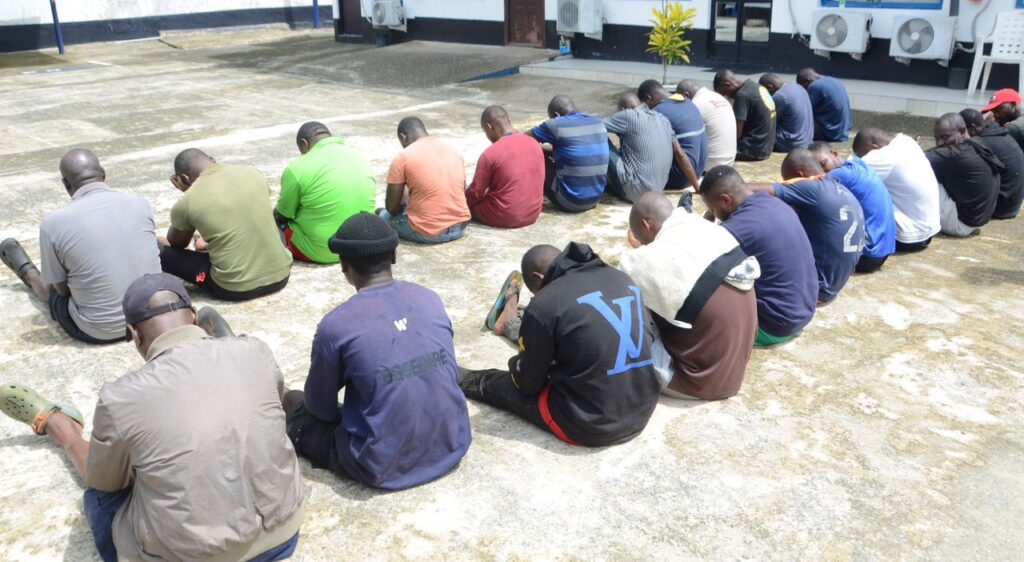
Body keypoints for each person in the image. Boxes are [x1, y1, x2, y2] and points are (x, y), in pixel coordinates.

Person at [0, 273, 308, 562]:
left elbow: (103, 481)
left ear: (134, 335)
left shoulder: (121, 397)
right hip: (282, 535)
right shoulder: (257, 350)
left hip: (193, 556)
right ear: (195, 317)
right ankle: (220, 347)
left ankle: (60, 426)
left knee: (101, 497)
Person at [284, 212, 471, 489]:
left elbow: (320, 410)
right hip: (452, 443)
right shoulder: (429, 299)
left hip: (379, 466)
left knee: (294, 402)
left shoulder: (337, 325)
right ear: (394, 256)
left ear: (343, 264)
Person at [460, 242, 661, 446]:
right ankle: (512, 324)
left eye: (534, 291)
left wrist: (517, 363)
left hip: (588, 424)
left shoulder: (546, 303)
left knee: (492, 381)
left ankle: (454, 373)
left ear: (538, 278)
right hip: (641, 409)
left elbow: (528, 385)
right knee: (561, 333)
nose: (536, 296)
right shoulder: (621, 278)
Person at [0, 149, 160, 344]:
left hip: (100, 331)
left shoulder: (53, 224)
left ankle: (29, 274)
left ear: (66, 185)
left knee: (51, 291)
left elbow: (62, 290)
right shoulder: (141, 204)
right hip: (153, 320)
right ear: (103, 173)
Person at [621, 192, 759, 400]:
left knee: (618, 319)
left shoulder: (641, 261)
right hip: (734, 370)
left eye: (640, 237)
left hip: (697, 382)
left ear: (645, 224)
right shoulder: (705, 228)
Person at [700, 166, 818, 347]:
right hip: (803, 313)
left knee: (706, 287)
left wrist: (704, 223)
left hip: (774, 328)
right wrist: (714, 212)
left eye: (713, 209)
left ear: (726, 200)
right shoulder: (775, 203)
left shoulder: (737, 229)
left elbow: (695, 257)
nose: (714, 215)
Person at [160, 148, 292, 300]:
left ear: (183, 178)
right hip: (281, 276)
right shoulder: (252, 173)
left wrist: (188, 191)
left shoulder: (189, 200)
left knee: (161, 252)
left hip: (234, 287)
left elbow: (177, 243)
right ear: (212, 159)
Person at [762, 150, 865, 303]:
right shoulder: (840, 188)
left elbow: (748, 190)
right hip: (834, 284)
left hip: (816, 290)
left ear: (800, 175)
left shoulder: (812, 188)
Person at [275, 121, 375, 263]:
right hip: (361, 245)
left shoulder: (297, 168)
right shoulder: (360, 157)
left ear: (304, 144)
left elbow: (282, 216)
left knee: (272, 224)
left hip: (321, 251)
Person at [810, 141, 896, 273]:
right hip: (882, 251)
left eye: (823, 164)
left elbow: (802, 188)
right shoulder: (858, 163)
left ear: (834, 154)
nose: (822, 172)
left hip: (866, 255)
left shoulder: (841, 174)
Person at [381, 117, 471, 243]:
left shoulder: (403, 156)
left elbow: (392, 208)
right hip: (459, 228)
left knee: (383, 216)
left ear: (403, 137)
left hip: (428, 233)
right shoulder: (452, 149)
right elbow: (462, 191)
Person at [853, 128, 941, 252]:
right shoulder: (907, 142)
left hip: (907, 237)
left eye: (862, 156)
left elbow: (848, 173)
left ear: (873, 148)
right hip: (928, 232)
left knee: (852, 196)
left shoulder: (883, 155)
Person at [466, 106, 545, 228]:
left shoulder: (490, 154)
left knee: (464, 204)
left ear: (489, 127)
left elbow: (476, 193)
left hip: (504, 216)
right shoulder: (534, 143)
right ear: (509, 120)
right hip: (532, 214)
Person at [527, 95, 609, 212]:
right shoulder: (598, 122)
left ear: (556, 115)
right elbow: (573, 149)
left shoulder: (556, 124)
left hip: (570, 201)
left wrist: (538, 148)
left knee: (531, 150)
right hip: (595, 199)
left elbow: (523, 140)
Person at [925, 113, 1002, 237]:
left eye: (945, 137)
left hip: (960, 224)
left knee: (914, 173)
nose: (939, 143)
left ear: (961, 131)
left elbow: (914, 159)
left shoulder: (956, 154)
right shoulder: (977, 144)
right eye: (937, 138)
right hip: (974, 222)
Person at [602, 92, 680, 203]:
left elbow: (594, 125)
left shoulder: (627, 115)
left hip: (637, 194)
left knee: (600, 136)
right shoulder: (662, 119)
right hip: (658, 191)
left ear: (623, 109)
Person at [637, 79, 709, 191]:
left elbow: (678, 153)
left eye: (646, 105)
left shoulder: (658, 112)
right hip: (700, 171)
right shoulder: (688, 102)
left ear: (649, 98)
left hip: (682, 177)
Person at [961, 108, 1024, 219]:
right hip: (1013, 205)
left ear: (972, 128)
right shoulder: (1000, 134)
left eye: (961, 131)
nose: (960, 136)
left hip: (1000, 209)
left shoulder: (981, 144)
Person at [712, 69, 777, 162]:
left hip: (752, 150)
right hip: (767, 147)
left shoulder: (742, 95)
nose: (727, 96)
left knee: (713, 151)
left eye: (725, 93)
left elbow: (736, 134)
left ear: (727, 84)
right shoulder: (756, 86)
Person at [676, 79, 737, 168]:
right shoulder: (718, 97)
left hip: (710, 166)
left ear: (686, 95)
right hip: (730, 161)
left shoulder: (695, 104)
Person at [759, 73, 814, 152]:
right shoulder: (799, 87)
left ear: (769, 87)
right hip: (807, 142)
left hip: (791, 144)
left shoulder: (780, 96)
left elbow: (764, 121)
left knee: (758, 131)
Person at [797, 68, 853, 142]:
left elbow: (804, 110)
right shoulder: (834, 80)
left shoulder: (815, 86)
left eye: (804, 88)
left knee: (795, 124)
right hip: (843, 132)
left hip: (830, 133)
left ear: (807, 81)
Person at [981, 88, 1023, 153]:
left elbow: (986, 145)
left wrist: (988, 126)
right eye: (993, 110)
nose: (995, 115)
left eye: (998, 109)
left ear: (1014, 105)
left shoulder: (1014, 127)